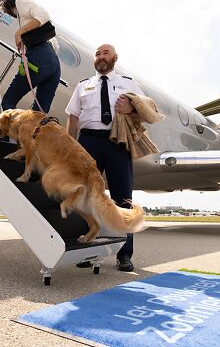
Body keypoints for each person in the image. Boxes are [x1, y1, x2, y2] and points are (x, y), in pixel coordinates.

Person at [65, 44, 144, 272]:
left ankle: (124, 254)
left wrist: (131, 107)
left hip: (117, 143)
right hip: (88, 142)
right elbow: (73, 118)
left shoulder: (128, 83)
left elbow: (148, 108)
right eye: (98, 54)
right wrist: (71, 149)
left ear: (115, 58)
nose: (100, 57)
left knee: (123, 199)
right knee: (86, 198)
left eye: (105, 53)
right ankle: (87, 251)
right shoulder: (83, 86)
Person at [0, 0, 61, 113]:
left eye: (2, 6)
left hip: (40, 55)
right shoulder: (23, 14)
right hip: (53, 63)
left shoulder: (20, 1)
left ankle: (16, 132)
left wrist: (19, 33)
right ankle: (32, 131)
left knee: (8, 102)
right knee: (38, 113)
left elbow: (44, 15)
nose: (3, 11)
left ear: (6, 0)